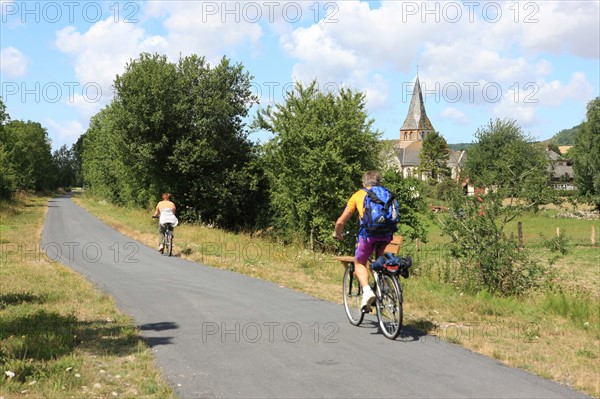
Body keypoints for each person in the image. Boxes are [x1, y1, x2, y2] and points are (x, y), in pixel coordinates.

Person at [333, 171, 394, 312]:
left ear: (363, 182)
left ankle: (367, 291)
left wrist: (338, 233)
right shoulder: (386, 193)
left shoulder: (358, 195)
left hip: (368, 236)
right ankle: (384, 288)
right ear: (379, 182)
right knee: (378, 260)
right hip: (386, 235)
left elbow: (341, 221)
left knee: (359, 262)